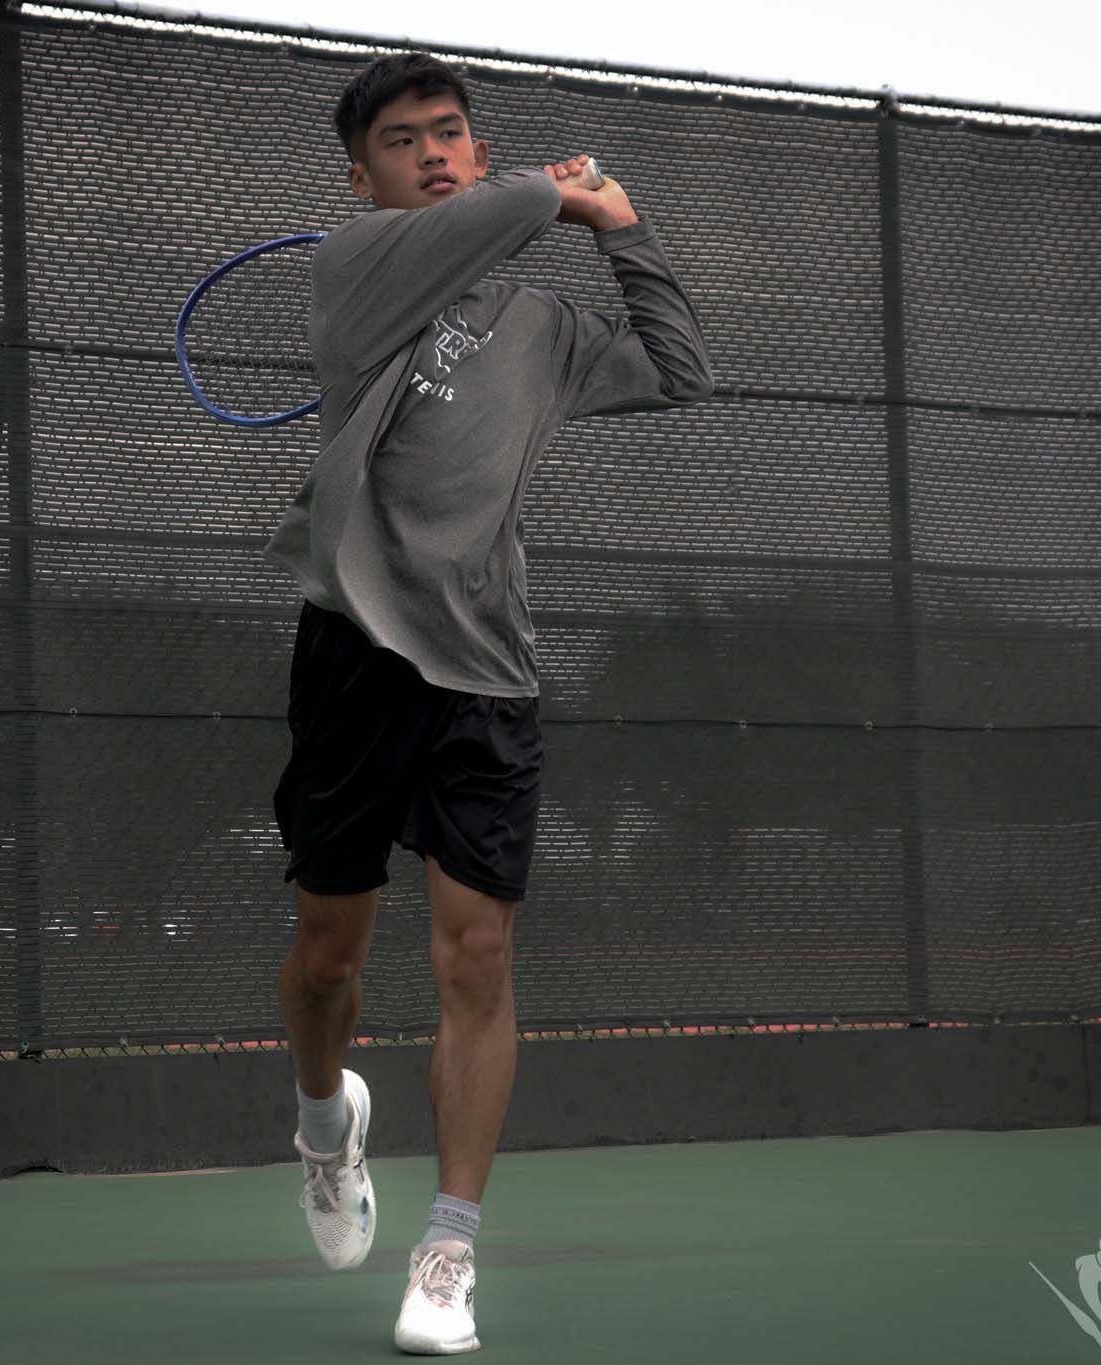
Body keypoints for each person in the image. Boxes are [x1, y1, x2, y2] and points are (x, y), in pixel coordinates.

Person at [264, 50, 714, 1355]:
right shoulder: (354, 269)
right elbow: (499, 213)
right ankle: (320, 1116)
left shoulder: (541, 327)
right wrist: (556, 190)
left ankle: (449, 1249)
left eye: (453, 133)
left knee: (476, 955)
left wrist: (624, 232)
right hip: (353, 657)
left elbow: (678, 367)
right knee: (326, 962)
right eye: (405, 142)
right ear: (363, 177)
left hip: (491, 673)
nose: (437, 154)